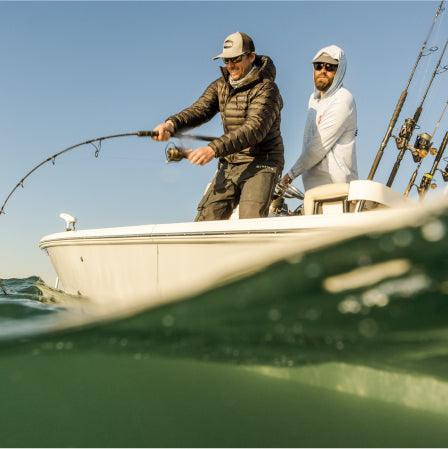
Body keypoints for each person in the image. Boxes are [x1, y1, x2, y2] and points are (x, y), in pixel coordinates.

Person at [153, 32, 284, 221]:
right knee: (205, 222)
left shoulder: (267, 88)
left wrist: (213, 149)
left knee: (250, 222)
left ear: (251, 57)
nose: (229, 65)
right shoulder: (220, 85)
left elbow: (254, 129)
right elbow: (200, 110)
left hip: (262, 162)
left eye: (235, 59)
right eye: (225, 60)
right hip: (230, 162)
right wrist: (171, 124)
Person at [281, 45, 358, 191]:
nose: (323, 70)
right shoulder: (313, 99)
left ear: (339, 70)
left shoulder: (343, 99)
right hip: (313, 189)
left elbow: (318, 146)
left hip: (339, 189)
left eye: (330, 67)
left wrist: (292, 173)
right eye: (318, 65)